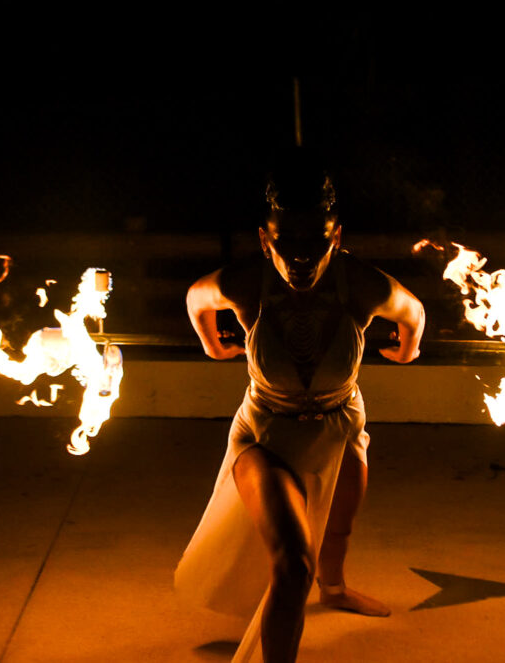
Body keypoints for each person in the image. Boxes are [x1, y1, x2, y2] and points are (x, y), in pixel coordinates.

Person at [173, 150, 425, 663]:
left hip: (341, 423)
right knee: (292, 564)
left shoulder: (362, 283)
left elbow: (413, 311)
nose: (300, 257)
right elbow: (197, 298)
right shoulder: (247, 283)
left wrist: (408, 348)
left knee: (341, 523)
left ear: (336, 237)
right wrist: (212, 344)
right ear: (266, 239)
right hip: (267, 435)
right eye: (287, 242)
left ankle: (335, 591)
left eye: (315, 241)